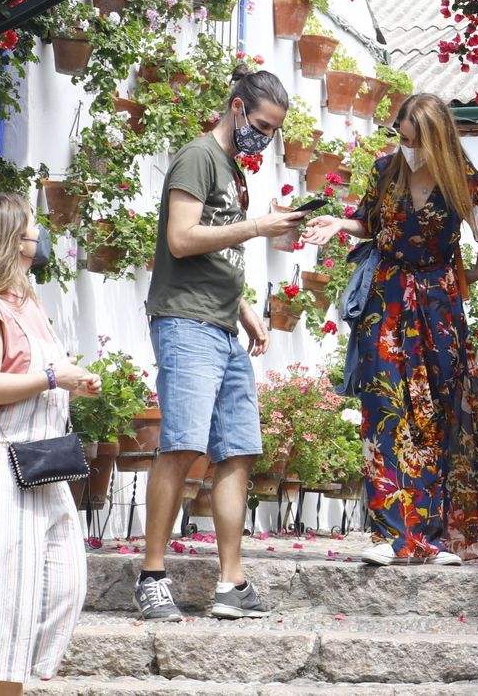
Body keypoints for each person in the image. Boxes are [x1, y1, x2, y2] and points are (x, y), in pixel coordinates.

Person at [136, 66, 340, 621]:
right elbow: (180, 240)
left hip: (222, 325)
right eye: (262, 124)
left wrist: (246, 310)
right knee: (181, 445)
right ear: (235, 108)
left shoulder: (232, 171)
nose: (266, 137)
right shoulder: (198, 157)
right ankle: (152, 576)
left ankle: (232, 583)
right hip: (186, 325)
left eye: (274, 129)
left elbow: (215, 253)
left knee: (238, 451)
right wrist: (258, 227)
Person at [0, 193, 103, 696]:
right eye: (35, 229)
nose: (42, 238)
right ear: (13, 240)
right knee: (9, 595)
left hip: (38, 457)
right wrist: (54, 377)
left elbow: (39, 372)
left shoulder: (27, 300)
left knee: (63, 583)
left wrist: (72, 380)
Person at [329, 92, 478, 565]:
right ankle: (389, 536)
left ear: (434, 137)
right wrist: (335, 224)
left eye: (411, 139)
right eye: (400, 137)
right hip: (384, 303)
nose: (404, 146)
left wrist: (476, 270)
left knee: (437, 416)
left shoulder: (460, 176)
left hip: (439, 307)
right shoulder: (385, 171)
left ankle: (436, 537)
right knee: (383, 408)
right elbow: (366, 223)